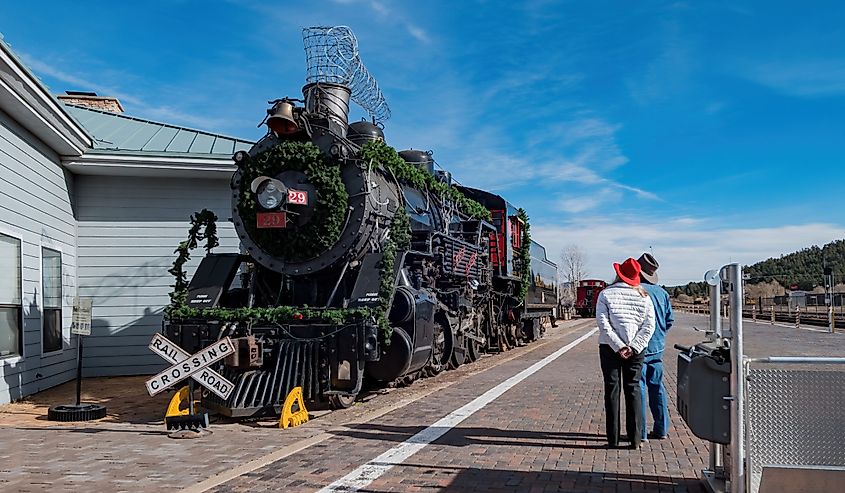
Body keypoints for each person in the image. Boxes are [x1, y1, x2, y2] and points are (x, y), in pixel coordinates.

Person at [596, 258, 656, 450]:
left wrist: (618, 346)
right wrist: (634, 346)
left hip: (609, 348)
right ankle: (635, 439)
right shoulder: (644, 296)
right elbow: (649, 326)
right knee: (634, 389)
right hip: (636, 350)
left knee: (612, 390)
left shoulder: (605, 294)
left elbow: (603, 324)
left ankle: (612, 438)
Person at [637, 253, 674, 441]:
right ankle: (662, 429)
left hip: (640, 346)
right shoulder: (663, 293)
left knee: (640, 387)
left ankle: (640, 432)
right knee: (657, 387)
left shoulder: (636, 290)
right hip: (658, 347)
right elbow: (669, 321)